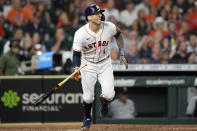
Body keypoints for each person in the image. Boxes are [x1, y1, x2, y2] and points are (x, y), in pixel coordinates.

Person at [72, 4, 127, 130]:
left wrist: (122, 53)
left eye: (100, 12)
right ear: (89, 17)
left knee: (109, 95)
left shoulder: (109, 26)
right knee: (88, 97)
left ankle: (104, 103)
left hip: (105, 63)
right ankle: (87, 118)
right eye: (96, 13)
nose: (100, 15)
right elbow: (76, 54)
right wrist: (76, 67)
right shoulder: (80, 33)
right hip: (87, 64)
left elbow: (119, 35)